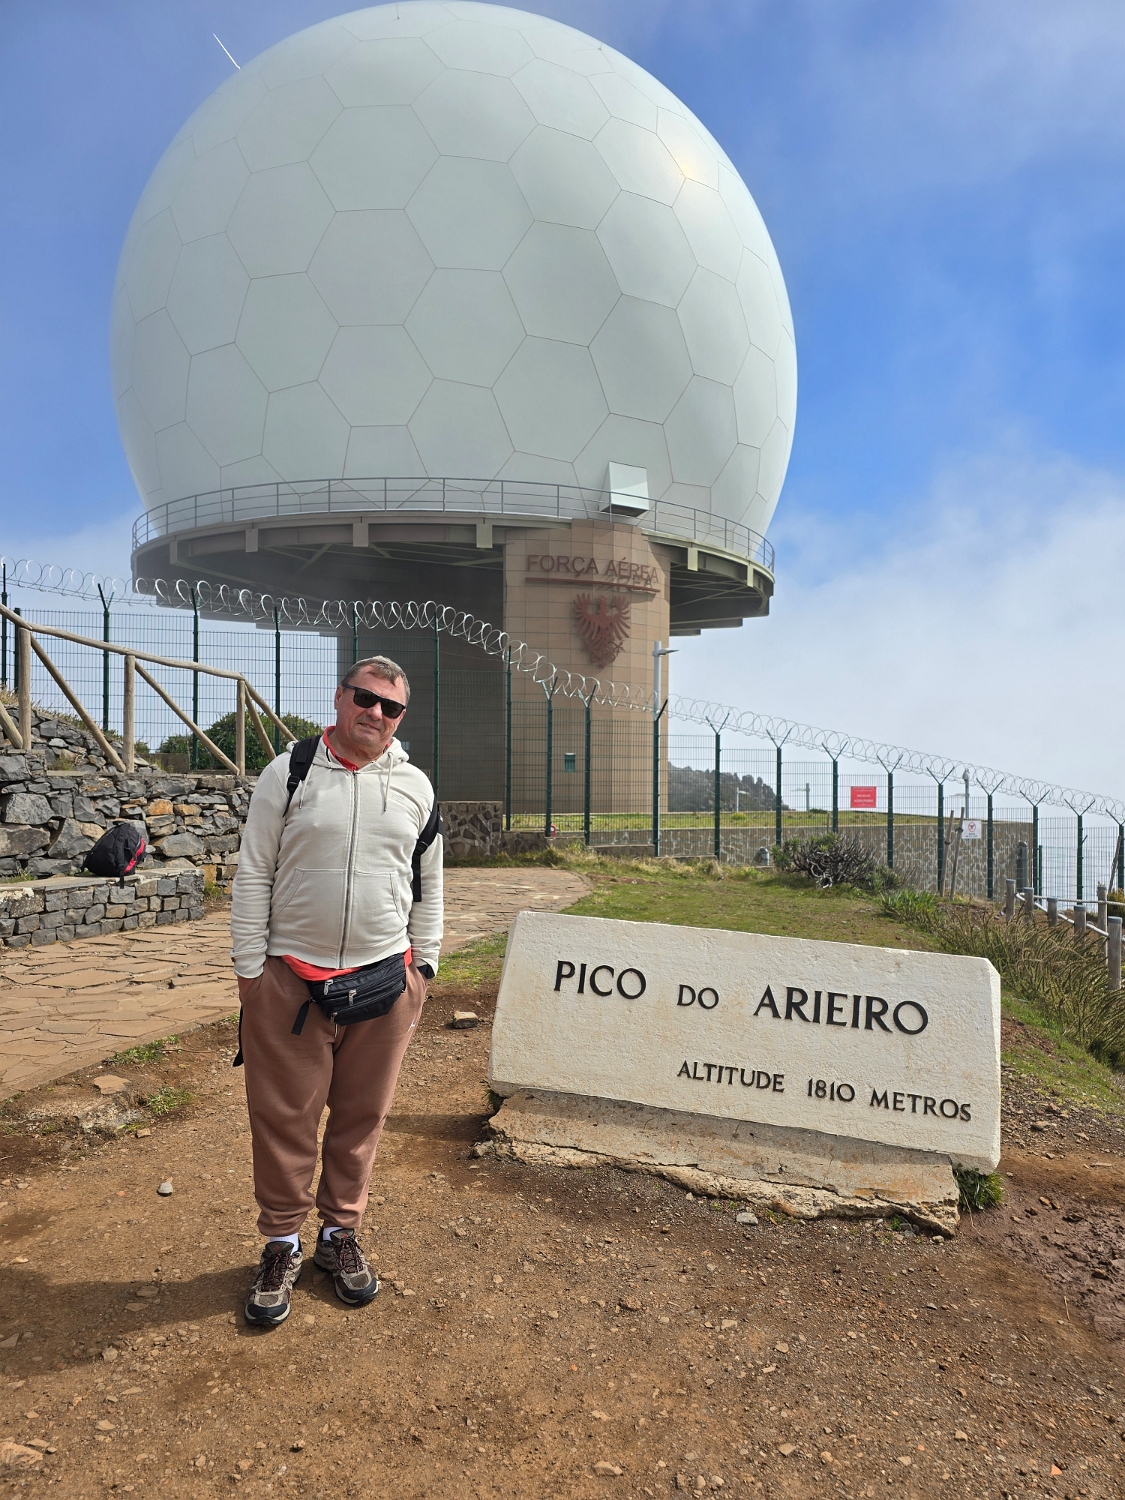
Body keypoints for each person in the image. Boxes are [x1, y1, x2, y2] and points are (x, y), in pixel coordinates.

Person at [230, 655, 442, 1326]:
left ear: (400, 718)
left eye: (390, 707)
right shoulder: (289, 772)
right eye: (364, 698)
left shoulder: (415, 786)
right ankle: (282, 1243)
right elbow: (254, 870)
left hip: (385, 982)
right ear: (340, 697)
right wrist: (251, 972)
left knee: (361, 1118)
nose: (375, 713)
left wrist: (424, 970)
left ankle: (338, 1233)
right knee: (283, 1120)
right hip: (291, 981)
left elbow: (429, 884)